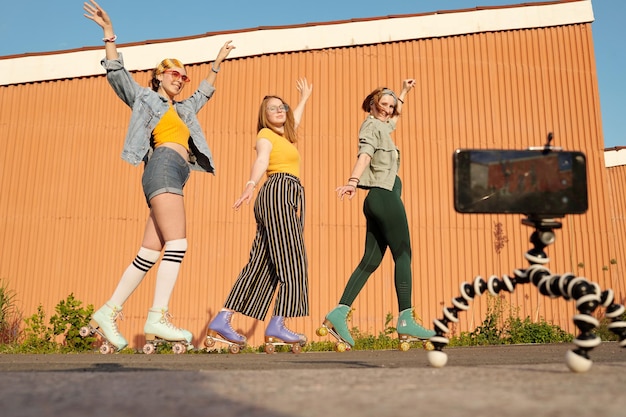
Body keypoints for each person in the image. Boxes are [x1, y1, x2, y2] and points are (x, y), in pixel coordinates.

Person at [82, 0, 235, 351]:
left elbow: (202, 95)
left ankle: (108, 311)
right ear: (157, 76)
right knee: (178, 244)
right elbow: (117, 74)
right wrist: (109, 33)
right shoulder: (145, 99)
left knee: (150, 252)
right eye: (172, 74)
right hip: (163, 166)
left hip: (177, 173)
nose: (179, 80)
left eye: (183, 76)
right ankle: (157, 315)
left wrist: (215, 66)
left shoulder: (182, 109)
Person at [321, 80, 435, 348]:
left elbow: (395, 119)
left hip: (378, 199)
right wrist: (351, 181)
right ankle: (406, 319)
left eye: (391, 107)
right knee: (403, 254)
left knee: (370, 261)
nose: (388, 110)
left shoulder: (384, 126)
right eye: (383, 104)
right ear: (372, 104)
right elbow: (365, 154)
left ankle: (338, 313)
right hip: (383, 195)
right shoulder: (371, 126)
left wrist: (403, 93)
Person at [205, 79, 313, 351]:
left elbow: (293, 121)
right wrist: (250, 185)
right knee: (293, 260)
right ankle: (278, 323)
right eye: (272, 108)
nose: (279, 110)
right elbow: (262, 160)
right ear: (263, 116)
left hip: (281, 195)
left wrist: (302, 99)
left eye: (282, 107)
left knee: (262, 263)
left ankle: (223, 317)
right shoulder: (265, 136)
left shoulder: (284, 137)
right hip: (278, 191)